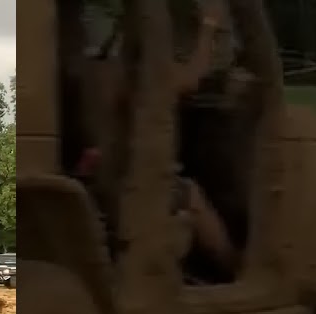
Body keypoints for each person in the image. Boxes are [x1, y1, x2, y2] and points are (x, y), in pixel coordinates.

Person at [76, 0, 238, 281]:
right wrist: (209, 27)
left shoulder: (95, 70)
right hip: (130, 182)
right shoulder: (135, 77)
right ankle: (238, 273)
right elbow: (190, 79)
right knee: (191, 195)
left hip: (103, 173)